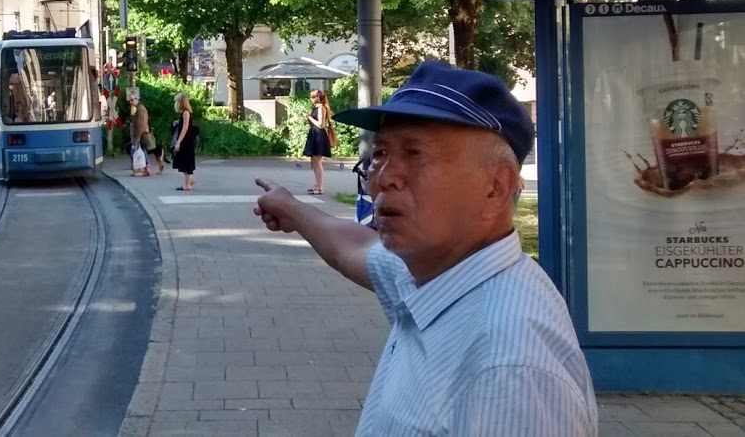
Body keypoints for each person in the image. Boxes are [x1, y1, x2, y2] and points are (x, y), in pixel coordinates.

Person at [254, 61, 597, 436]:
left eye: (415, 154)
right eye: (380, 154)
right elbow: (356, 248)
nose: (384, 177)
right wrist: (291, 209)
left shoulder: (507, 368)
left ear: (496, 186)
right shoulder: (438, 273)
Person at [302, 89, 333, 195]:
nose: (311, 99)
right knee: (314, 161)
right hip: (314, 133)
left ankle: (320, 187)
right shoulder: (315, 108)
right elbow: (313, 124)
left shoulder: (321, 108)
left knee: (317, 161)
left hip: (319, 135)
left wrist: (310, 117)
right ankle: (317, 185)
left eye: (312, 97)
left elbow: (321, 124)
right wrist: (308, 118)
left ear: (318, 98)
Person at [130, 92, 164, 176]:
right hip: (142, 133)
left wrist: (138, 136)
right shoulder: (139, 108)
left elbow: (142, 123)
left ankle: (145, 169)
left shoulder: (140, 109)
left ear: (137, 100)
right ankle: (145, 169)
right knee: (142, 151)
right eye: (130, 100)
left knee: (140, 151)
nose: (130, 102)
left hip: (142, 134)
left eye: (132, 100)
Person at [171, 92, 197, 191]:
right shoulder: (184, 113)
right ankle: (190, 180)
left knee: (185, 161)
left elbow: (185, 128)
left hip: (186, 141)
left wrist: (178, 142)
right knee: (183, 161)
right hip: (186, 140)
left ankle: (187, 184)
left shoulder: (186, 113)